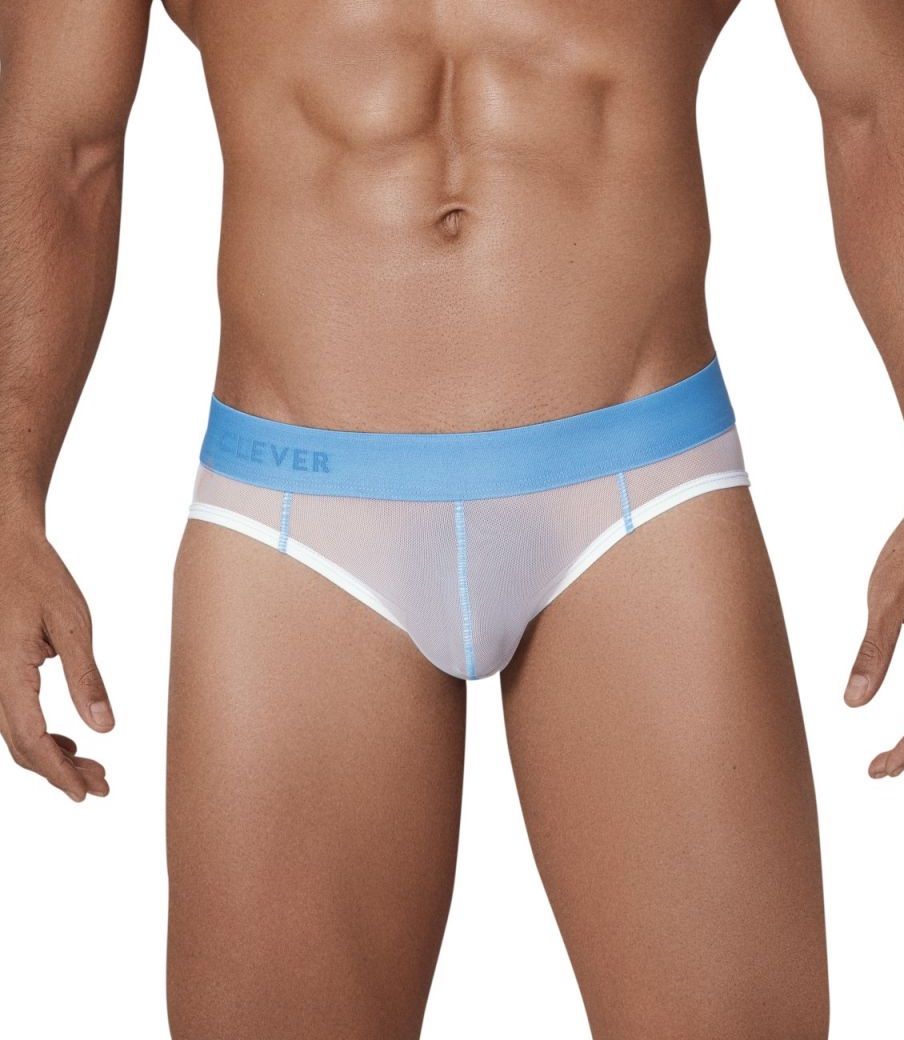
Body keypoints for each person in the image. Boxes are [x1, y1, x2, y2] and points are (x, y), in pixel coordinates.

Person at [1, 1, 901, 1037]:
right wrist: (8, 496)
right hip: (295, 514)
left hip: (641, 488)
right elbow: (57, 144)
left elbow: (878, 106)